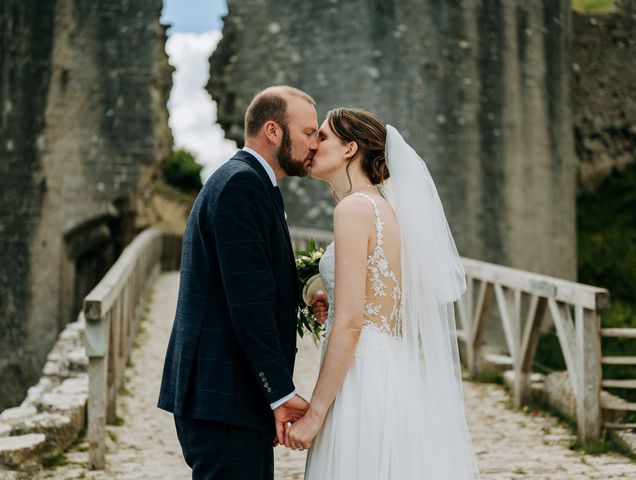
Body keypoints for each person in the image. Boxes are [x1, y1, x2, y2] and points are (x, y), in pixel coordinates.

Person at [285, 108, 481, 479]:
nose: (313, 145)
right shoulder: (384, 209)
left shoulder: (353, 209)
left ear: (349, 149)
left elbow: (351, 323)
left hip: (359, 375)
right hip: (390, 367)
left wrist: (315, 415)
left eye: (323, 136)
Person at [157, 85, 319, 480]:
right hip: (223, 397)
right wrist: (280, 392)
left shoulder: (252, 183)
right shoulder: (240, 186)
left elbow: (257, 272)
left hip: (231, 397)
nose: (315, 143)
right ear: (273, 130)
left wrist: (310, 286)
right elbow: (249, 301)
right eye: (309, 132)